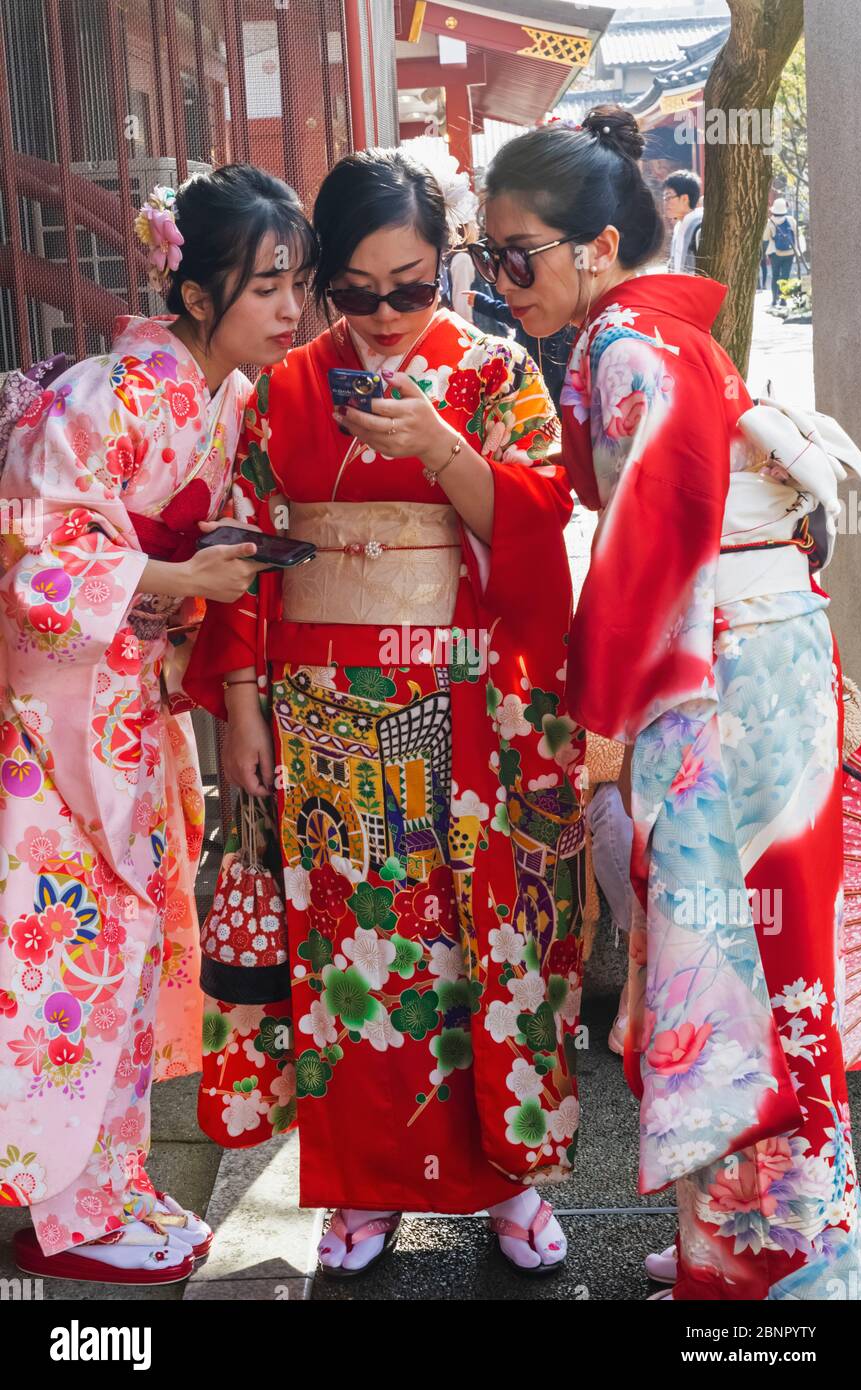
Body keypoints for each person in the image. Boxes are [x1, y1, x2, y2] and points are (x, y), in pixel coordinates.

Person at [480, 104, 861, 1301]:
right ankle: (740, 1235)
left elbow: (650, 541)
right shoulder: (658, 337)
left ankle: (784, 1260)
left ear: (596, 245)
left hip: (714, 667)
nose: (500, 283)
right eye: (486, 257)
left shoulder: (622, 349)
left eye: (517, 256)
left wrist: (591, 706)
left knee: (730, 957)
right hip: (756, 653)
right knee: (739, 951)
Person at [184, 147, 585, 1279]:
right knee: (351, 945)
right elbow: (250, 553)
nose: (382, 316)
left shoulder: (496, 372)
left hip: (468, 705)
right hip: (319, 716)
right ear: (320, 286)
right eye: (353, 294)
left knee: (486, 941)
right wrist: (243, 708)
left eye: (410, 287)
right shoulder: (281, 389)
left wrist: (444, 452)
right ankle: (357, 1188)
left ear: (444, 265)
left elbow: (539, 529)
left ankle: (506, 1182)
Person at [0, 165, 315, 1285]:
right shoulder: (105, 393)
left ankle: (113, 1180)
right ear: (194, 296)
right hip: (51, 732)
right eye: (270, 284)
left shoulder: (220, 399)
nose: (294, 308)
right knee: (70, 962)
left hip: (127, 700)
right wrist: (179, 571)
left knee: (126, 960)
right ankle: (67, 1207)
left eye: (299, 283)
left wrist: (191, 584)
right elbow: (29, 545)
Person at [662, 168, 703, 275]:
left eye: (669, 197)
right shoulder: (679, 226)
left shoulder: (699, 226)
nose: (665, 203)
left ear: (685, 198)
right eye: (664, 198)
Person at [765, 195, 803, 307]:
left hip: (775, 253)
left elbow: (765, 238)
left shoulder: (770, 222)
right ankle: (783, 300)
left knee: (775, 276)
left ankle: (774, 299)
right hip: (790, 253)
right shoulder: (791, 220)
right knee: (785, 276)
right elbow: (796, 235)